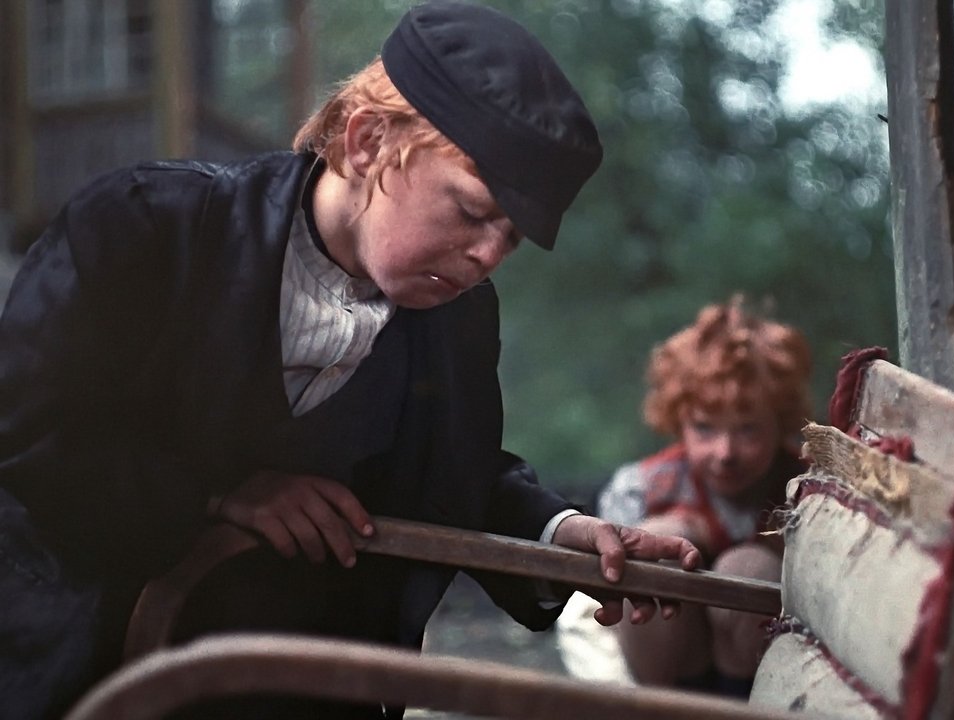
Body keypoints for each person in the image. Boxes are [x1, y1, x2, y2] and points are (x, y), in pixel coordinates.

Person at [0, 3, 698, 719]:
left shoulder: (456, 315)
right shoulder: (144, 226)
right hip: (100, 675)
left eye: (511, 239)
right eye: (469, 211)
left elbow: (453, 473)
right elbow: (28, 436)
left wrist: (566, 538)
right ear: (367, 142)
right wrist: (220, 495)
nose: (488, 257)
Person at [556, 297, 812, 697]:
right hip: (657, 677)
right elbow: (589, 615)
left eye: (748, 430)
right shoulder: (642, 488)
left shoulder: (809, 490)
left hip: (760, 682)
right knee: (652, 545)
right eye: (705, 428)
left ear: (780, 423)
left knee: (748, 567)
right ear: (678, 419)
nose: (725, 452)